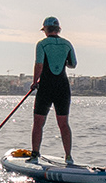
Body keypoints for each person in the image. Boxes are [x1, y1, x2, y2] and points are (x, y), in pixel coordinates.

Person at [30, 17, 76, 165]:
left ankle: (35, 154)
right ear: (58, 29)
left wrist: (34, 82)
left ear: (45, 30)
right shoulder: (67, 44)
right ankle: (68, 157)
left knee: (38, 122)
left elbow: (39, 65)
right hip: (63, 87)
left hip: (45, 87)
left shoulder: (42, 44)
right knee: (63, 123)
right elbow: (73, 64)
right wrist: (62, 61)